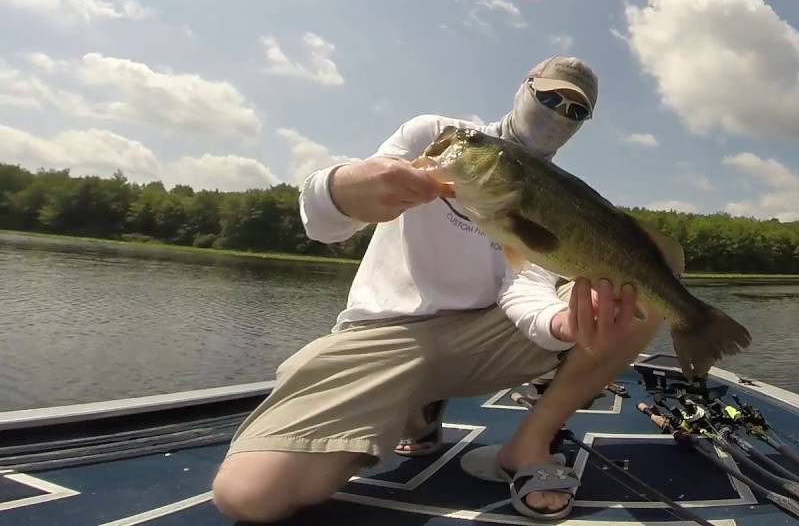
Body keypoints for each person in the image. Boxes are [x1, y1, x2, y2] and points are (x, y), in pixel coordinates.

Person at [211, 55, 662, 523]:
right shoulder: (441, 137)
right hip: (386, 336)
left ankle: (527, 443)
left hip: (482, 340)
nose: (557, 113)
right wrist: (342, 188)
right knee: (252, 496)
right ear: (524, 88)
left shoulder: (564, 197)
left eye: (574, 110)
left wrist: (560, 322)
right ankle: (410, 408)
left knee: (646, 299)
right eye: (548, 96)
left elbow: (522, 285)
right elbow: (324, 224)